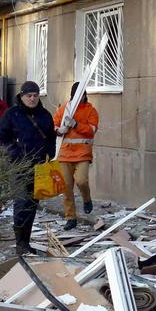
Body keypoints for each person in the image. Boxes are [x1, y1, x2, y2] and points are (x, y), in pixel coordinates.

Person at [0, 81, 56, 255]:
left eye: (35, 95)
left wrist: (49, 155)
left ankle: (26, 242)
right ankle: (20, 242)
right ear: (22, 96)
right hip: (19, 166)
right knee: (22, 202)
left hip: (39, 167)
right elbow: (0, 138)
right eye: (29, 96)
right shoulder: (11, 114)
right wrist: (14, 153)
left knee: (32, 205)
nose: (32, 99)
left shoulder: (45, 115)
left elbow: (51, 137)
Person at [53, 82, 99, 230]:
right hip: (64, 154)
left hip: (82, 154)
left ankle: (87, 199)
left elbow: (92, 130)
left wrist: (75, 124)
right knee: (66, 188)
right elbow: (54, 125)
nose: (80, 97)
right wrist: (59, 130)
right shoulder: (64, 108)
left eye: (82, 94)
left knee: (81, 181)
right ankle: (70, 218)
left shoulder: (90, 110)